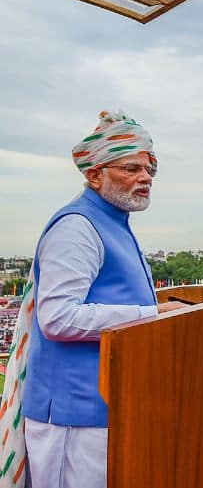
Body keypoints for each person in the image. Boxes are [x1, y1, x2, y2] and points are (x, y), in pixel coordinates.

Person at [0, 111, 186, 488]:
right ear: (94, 175)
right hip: (75, 417)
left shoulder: (112, 223)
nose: (146, 178)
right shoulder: (77, 226)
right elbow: (58, 317)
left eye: (150, 169)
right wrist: (153, 314)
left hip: (103, 410)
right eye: (131, 168)